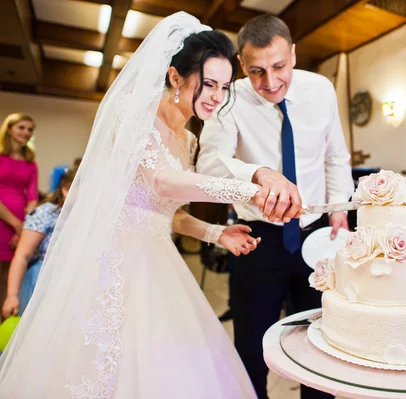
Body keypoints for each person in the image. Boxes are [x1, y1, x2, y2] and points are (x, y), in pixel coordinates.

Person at [0, 13, 279, 398]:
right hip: (114, 264)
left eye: (224, 86)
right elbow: (162, 180)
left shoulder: (190, 141)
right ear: (175, 77)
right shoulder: (133, 115)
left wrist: (217, 233)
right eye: (209, 83)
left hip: (160, 260)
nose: (217, 96)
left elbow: (167, 212)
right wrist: (249, 189)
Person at [196, 14, 354, 399]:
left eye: (279, 66)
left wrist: (339, 209)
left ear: (294, 54)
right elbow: (208, 166)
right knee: (252, 345)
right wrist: (258, 173)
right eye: (256, 71)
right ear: (241, 65)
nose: (270, 82)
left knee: (321, 343)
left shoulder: (321, 90)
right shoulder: (228, 99)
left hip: (318, 235)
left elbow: (335, 155)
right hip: (257, 239)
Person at [1, 168, 76, 318]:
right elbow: (22, 255)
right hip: (43, 280)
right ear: (65, 190)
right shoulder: (46, 213)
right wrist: (12, 295)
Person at [0, 113, 38, 321]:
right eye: (22, 127)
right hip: (5, 221)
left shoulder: (31, 162)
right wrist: (16, 224)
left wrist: (25, 226)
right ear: (9, 129)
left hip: (21, 223)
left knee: (9, 277)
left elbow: (32, 196)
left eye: (30, 129)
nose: (26, 133)